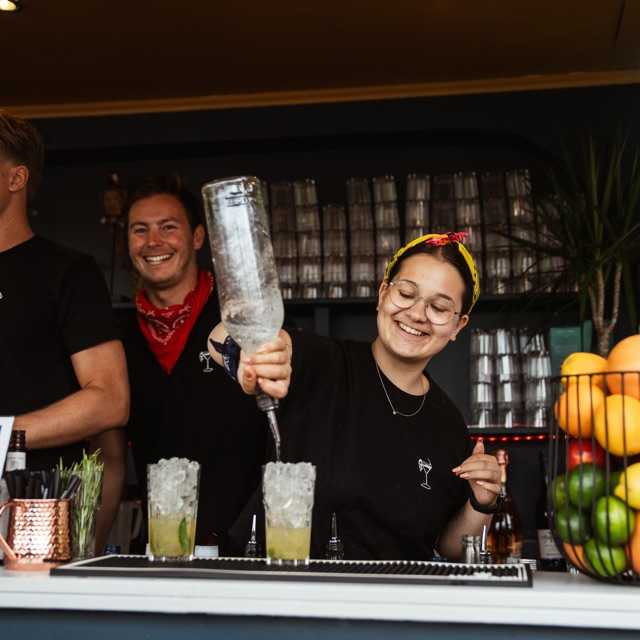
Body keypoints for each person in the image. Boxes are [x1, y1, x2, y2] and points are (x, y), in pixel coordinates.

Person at [210, 231, 501, 560]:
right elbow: (226, 336)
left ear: (458, 326)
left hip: (391, 591)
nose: (417, 313)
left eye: (438, 307)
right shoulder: (321, 363)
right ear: (383, 294)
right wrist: (252, 354)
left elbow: (448, 547)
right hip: (284, 586)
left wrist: (482, 502)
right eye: (406, 293)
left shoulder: (448, 425)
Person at [122, 175, 289, 553]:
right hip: (161, 548)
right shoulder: (118, 337)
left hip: (246, 547)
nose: (153, 242)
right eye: (140, 230)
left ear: (198, 237)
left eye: (168, 227)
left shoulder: (243, 317)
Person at [0, 112, 129, 549]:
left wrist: (4, 433)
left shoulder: (68, 273)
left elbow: (110, 400)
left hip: (35, 513)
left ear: (16, 178)